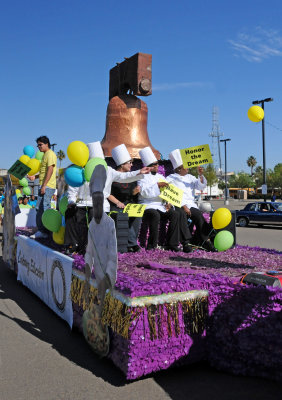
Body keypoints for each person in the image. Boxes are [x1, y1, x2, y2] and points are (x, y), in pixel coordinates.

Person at [64, 141, 150, 254]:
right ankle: (72, 245)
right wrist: (71, 201)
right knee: (70, 213)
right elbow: (72, 190)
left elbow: (124, 176)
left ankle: (91, 246)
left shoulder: (108, 170)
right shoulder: (81, 171)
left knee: (93, 214)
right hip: (81, 203)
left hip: (100, 203)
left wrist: (139, 171)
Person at [166, 149, 215, 251]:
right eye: (185, 166)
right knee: (182, 215)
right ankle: (186, 243)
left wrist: (200, 175)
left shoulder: (190, 177)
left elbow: (200, 186)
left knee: (198, 215)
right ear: (179, 168)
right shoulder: (170, 178)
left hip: (190, 204)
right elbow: (169, 194)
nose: (188, 167)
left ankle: (206, 240)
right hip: (178, 204)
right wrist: (183, 206)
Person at [138, 147, 181, 252]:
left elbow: (168, 192)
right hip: (147, 205)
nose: (158, 166)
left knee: (175, 214)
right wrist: (157, 185)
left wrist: (168, 202)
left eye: (157, 164)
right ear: (150, 166)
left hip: (160, 206)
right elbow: (144, 193)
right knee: (155, 215)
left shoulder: (160, 177)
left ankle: (172, 244)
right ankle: (152, 245)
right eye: (155, 164)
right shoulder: (141, 177)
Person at [108, 144, 142, 253]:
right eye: (130, 162)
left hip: (129, 203)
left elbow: (131, 195)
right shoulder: (112, 175)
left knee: (137, 215)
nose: (132, 165)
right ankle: (131, 244)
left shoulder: (131, 176)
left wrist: (135, 192)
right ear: (122, 164)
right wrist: (118, 202)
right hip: (115, 203)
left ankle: (132, 242)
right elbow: (107, 193)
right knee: (123, 214)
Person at [33, 136, 57, 239]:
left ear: (47, 144)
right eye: (37, 145)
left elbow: (50, 170)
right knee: (39, 208)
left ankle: (46, 232)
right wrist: (35, 176)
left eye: (40, 144)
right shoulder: (45, 155)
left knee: (45, 208)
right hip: (44, 186)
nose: (38, 147)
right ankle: (43, 231)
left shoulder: (50, 154)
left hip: (47, 186)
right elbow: (44, 171)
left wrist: (44, 185)